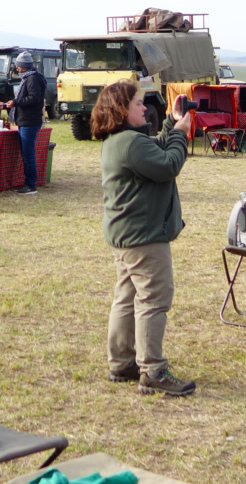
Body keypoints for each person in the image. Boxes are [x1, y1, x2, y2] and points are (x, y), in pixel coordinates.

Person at [90, 80, 196, 396]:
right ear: (122, 110)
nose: (144, 107)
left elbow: (154, 149)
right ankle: (153, 370)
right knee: (153, 299)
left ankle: (122, 362)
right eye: (138, 103)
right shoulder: (132, 144)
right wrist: (180, 133)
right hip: (144, 236)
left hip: (126, 235)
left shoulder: (120, 141)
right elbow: (167, 164)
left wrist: (169, 122)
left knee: (126, 297)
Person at [5, 51, 46, 194]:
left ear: (24, 66)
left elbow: (34, 98)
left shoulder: (32, 79)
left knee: (28, 155)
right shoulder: (29, 77)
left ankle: (31, 185)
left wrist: (16, 102)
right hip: (25, 120)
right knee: (26, 154)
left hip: (30, 121)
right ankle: (28, 182)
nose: (16, 68)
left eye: (18, 66)